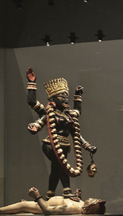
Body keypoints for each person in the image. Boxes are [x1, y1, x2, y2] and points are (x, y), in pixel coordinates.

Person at [26, 67, 97, 200]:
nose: (65, 99)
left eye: (66, 96)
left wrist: (88, 146)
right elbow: (32, 102)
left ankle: (50, 193)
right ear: (52, 98)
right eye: (61, 96)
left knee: (56, 168)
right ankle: (67, 192)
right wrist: (32, 83)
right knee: (61, 166)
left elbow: (76, 133)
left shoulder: (68, 115)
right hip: (50, 145)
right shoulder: (49, 112)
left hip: (64, 146)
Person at [0, 187, 106, 215]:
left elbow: (48, 210)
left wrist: (37, 197)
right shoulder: (81, 204)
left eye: (93, 201)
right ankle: (27, 209)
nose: (92, 198)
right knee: (25, 206)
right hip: (45, 203)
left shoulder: (75, 209)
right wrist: (77, 195)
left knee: (23, 205)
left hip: (43, 206)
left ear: (90, 207)